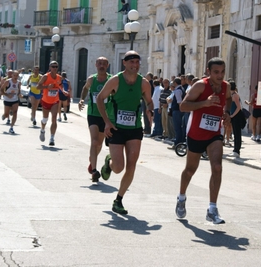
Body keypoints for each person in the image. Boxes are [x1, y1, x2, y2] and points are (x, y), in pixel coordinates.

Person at [175, 57, 231, 224]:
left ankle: (212, 209)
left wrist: (226, 113)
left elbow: (228, 99)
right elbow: (183, 106)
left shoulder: (225, 86)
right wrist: (204, 103)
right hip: (196, 133)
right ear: (208, 71)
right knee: (190, 170)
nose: (219, 76)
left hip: (214, 133)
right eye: (216, 72)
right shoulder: (200, 85)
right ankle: (181, 197)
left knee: (217, 167)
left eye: (222, 72)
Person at [96, 51, 153, 215]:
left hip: (134, 128)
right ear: (124, 63)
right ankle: (110, 162)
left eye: (137, 62)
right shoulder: (115, 80)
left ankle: (118, 200)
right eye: (132, 62)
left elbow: (149, 101)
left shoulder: (143, 83)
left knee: (132, 165)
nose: (135, 65)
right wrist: (107, 122)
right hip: (116, 127)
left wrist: (150, 111)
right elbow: (100, 98)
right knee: (118, 167)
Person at [78, 57, 112, 183]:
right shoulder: (92, 79)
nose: (102, 66)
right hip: (93, 114)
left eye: (104, 64)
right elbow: (85, 88)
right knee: (94, 141)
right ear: (96, 65)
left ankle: (92, 161)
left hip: (105, 116)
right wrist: (82, 99)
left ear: (107, 65)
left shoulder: (111, 80)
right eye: (99, 63)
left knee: (99, 144)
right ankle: (94, 171)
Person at [37, 61, 68, 146]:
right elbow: (38, 87)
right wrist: (47, 87)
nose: (55, 68)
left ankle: (52, 138)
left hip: (55, 100)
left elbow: (60, 86)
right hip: (46, 101)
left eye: (56, 66)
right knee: (45, 119)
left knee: (54, 118)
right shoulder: (45, 77)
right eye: (53, 66)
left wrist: (63, 91)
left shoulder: (59, 77)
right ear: (50, 67)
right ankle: (42, 130)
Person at [228, 79, 245, 158]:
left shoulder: (235, 95)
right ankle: (235, 150)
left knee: (237, 134)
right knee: (235, 133)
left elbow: (239, 107)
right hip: (233, 116)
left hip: (237, 116)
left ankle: (237, 150)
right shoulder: (231, 94)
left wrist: (232, 115)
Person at [167, 77, 185, 149]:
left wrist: (181, 109)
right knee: (179, 128)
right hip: (179, 111)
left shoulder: (177, 91)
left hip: (177, 111)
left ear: (175, 83)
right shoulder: (181, 89)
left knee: (177, 128)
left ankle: (177, 143)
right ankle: (179, 142)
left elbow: (179, 101)